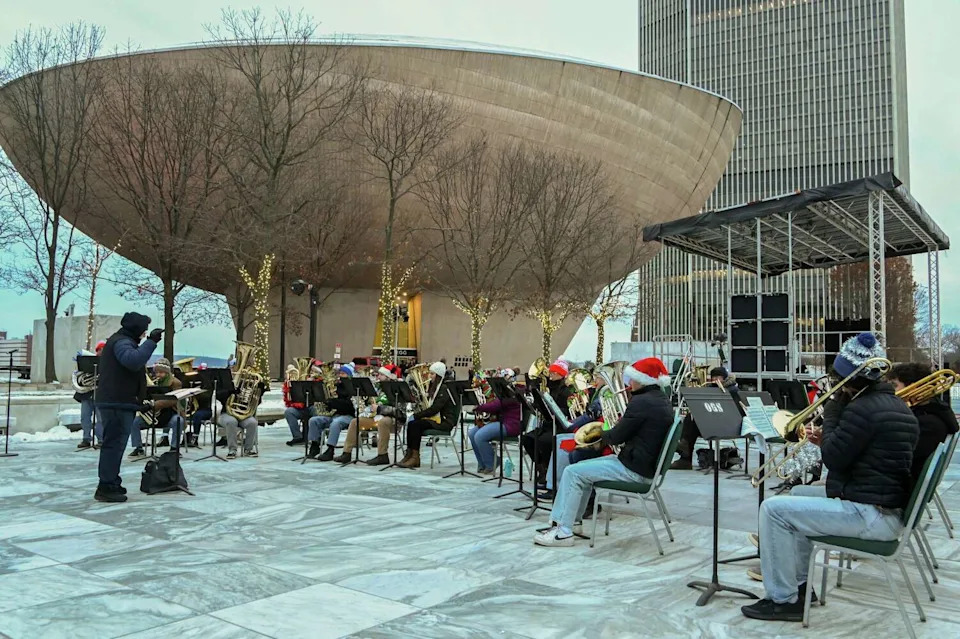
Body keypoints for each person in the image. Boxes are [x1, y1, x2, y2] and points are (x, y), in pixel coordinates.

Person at [741, 332, 919, 622]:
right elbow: (860, 453)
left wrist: (833, 410)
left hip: (870, 512)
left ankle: (783, 600)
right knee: (796, 496)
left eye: (837, 378)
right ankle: (799, 588)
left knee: (772, 510)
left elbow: (834, 461)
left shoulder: (860, 409)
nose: (833, 384)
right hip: (880, 504)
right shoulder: (894, 406)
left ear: (848, 380)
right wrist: (829, 436)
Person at [533, 358, 674, 546]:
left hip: (634, 469)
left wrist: (603, 431)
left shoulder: (641, 403)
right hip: (644, 466)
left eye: (632, 379)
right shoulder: (661, 400)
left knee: (572, 472)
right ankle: (573, 521)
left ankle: (563, 531)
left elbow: (616, 437)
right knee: (579, 468)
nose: (629, 383)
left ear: (643, 380)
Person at [94, 312, 162, 502]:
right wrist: (151, 342)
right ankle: (106, 486)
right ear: (136, 329)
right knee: (113, 446)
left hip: (119, 402)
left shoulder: (120, 340)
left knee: (114, 445)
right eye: (143, 330)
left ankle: (112, 481)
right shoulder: (122, 342)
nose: (144, 334)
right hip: (116, 403)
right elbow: (133, 361)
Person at [887, 362, 958, 485]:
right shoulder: (928, 414)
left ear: (914, 388)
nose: (890, 391)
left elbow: (895, 457)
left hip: (900, 487)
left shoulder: (928, 423)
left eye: (894, 385)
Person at [670, 366, 744, 470]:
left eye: (718, 377)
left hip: (728, 425)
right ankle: (685, 452)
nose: (715, 380)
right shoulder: (711, 388)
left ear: (724, 378)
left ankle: (685, 455)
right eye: (713, 377)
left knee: (693, 424)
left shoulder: (733, 390)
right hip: (713, 422)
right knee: (691, 418)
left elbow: (734, 412)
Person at [333, 366, 400, 464]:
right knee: (355, 422)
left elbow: (399, 411)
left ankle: (383, 455)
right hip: (375, 417)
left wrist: (380, 408)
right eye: (378, 374)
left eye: (381, 375)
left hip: (391, 418)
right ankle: (346, 453)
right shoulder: (377, 388)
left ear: (388, 377)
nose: (378, 377)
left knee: (383, 422)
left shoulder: (396, 389)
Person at [522, 358, 574, 485]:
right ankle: (542, 467)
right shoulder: (548, 387)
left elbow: (567, 411)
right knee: (527, 439)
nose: (550, 375)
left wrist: (552, 407)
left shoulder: (566, 391)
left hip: (559, 426)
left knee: (544, 442)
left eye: (553, 373)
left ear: (560, 374)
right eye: (550, 372)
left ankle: (547, 470)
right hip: (548, 425)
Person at [398, 361, 458, 469]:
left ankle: (415, 457)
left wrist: (417, 415)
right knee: (412, 424)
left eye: (432, 374)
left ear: (439, 375)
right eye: (430, 373)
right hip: (436, 419)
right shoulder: (434, 388)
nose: (429, 376)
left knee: (416, 424)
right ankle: (410, 454)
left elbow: (434, 409)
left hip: (444, 422)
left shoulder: (443, 389)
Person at [127, 358, 184, 458]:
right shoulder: (153, 383)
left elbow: (173, 400)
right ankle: (138, 448)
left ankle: (174, 448)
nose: (158, 375)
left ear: (167, 372)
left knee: (179, 421)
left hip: (170, 413)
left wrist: (153, 405)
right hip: (154, 414)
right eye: (156, 372)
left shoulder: (176, 383)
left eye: (161, 372)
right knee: (135, 422)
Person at [469, 380, 523, 474]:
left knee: (479, 436)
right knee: (472, 433)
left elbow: (495, 406)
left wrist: (477, 407)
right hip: (501, 422)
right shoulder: (507, 394)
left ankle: (491, 463)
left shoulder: (511, 395)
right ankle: (482, 464)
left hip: (510, 425)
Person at [306, 363, 356, 461]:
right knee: (314, 420)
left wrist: (333, 402)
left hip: (348, 416)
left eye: (343, 373)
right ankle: (315, 446)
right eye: (340, 373)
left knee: (335, 423)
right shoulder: (336, 386)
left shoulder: (352, 388)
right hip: (334, 414)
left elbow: (349, 406)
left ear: (349, 375)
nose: (340, 375)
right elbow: (330, 403)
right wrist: (325, 401)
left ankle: (330, 449)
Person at [219, 379, 266, 459]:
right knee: (231, 422)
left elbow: (255, 404)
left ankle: (248, 449)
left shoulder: (250, 389)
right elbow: (218, 396)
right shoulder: (227, 384)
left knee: (252, 422)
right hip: (227, 414)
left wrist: (260, 393)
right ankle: (232, 450)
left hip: (243, 415)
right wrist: (230, 392)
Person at [74, 340, 106, 449]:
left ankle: (101, 439)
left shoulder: (108, 363)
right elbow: (80, 376)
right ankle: (86, 439)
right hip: (86, 394)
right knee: (84, 417)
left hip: (100, 395)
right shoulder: (87, 362)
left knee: (100, 419)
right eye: (99, 350)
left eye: (103, 350)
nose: (100, 352)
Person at [283, 360, 319, 446]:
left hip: (312, 406)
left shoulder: (317, 379)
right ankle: (297, 437)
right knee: (289, 412)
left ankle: (315, 438)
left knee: (316, 411)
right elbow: (289, 398)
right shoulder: (297, 380)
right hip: (299, 407)